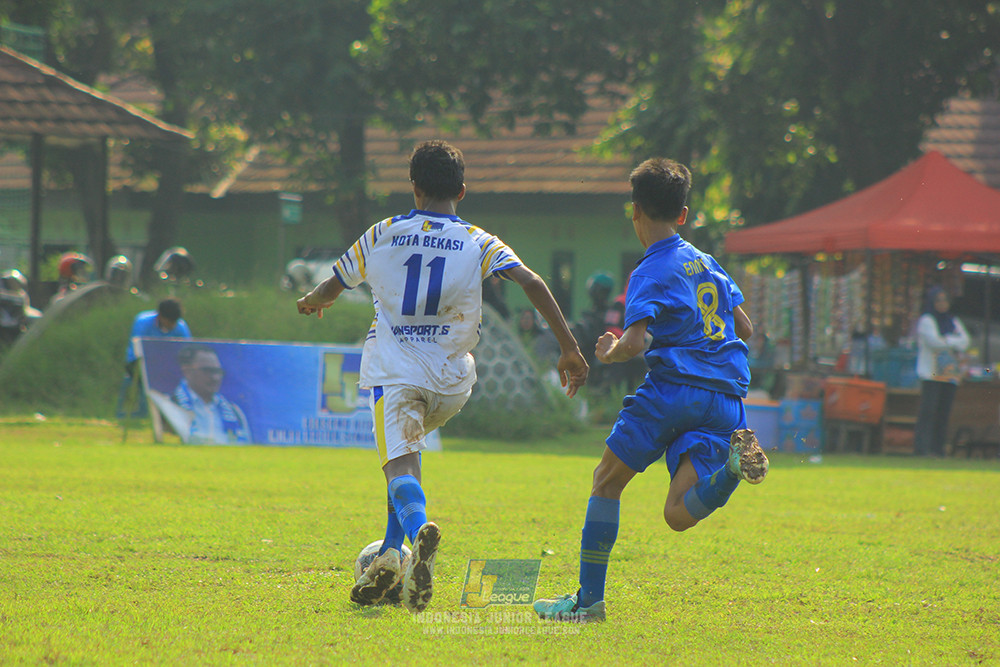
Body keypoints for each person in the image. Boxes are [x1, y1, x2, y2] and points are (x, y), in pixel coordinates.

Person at [296, 140, 588, 613]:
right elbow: (532, 281)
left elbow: (333, 286)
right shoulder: (478, 240)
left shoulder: (384, 232)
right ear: (462, 191)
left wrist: (312, 301)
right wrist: (570, 348)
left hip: (397, 373)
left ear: (414, 188)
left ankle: (417, 535)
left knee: (398, 466)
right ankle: (390, 558)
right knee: (404, 457)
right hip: (453, 383)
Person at [532, 157, 768, 623]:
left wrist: (607, 351)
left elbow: (636, 344)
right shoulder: (708, 263)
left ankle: (588, 603)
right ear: (683, 215)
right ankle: (731, 471)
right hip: (725, 401)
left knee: (606, 481)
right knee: (678, 513)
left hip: (673, 391)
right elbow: (744, 325)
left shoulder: (648, 271)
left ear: (634, 211)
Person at [149, 344, 252, 444]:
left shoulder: (234, 412)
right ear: (187, 371)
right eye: (207, 371)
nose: (215, 378)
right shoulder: (169, 407)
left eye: (218, 371)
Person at [913, 286, 970, 457]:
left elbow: (966, 341)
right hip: (931, 374)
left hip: (949, 375)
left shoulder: (953, 320)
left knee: (943, 413)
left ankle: (938, 449)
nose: (942, 304)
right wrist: (954, 341)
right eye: (938, 300)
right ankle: (922, 449)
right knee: (928, 412)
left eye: (945, 300)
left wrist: (947, 340)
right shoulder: (927, 320)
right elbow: (933, 342)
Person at [116, 297, 191, 419]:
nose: (173, 325)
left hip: (167, 365)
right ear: (161, 316)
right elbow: (137, 349)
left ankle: (175, 414)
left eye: (175, 322)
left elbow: (187, 350)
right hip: (138, 362)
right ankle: (149, 413)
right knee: (150, 377)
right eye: (170, 321)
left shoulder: (180, 326)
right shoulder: (143, 322)